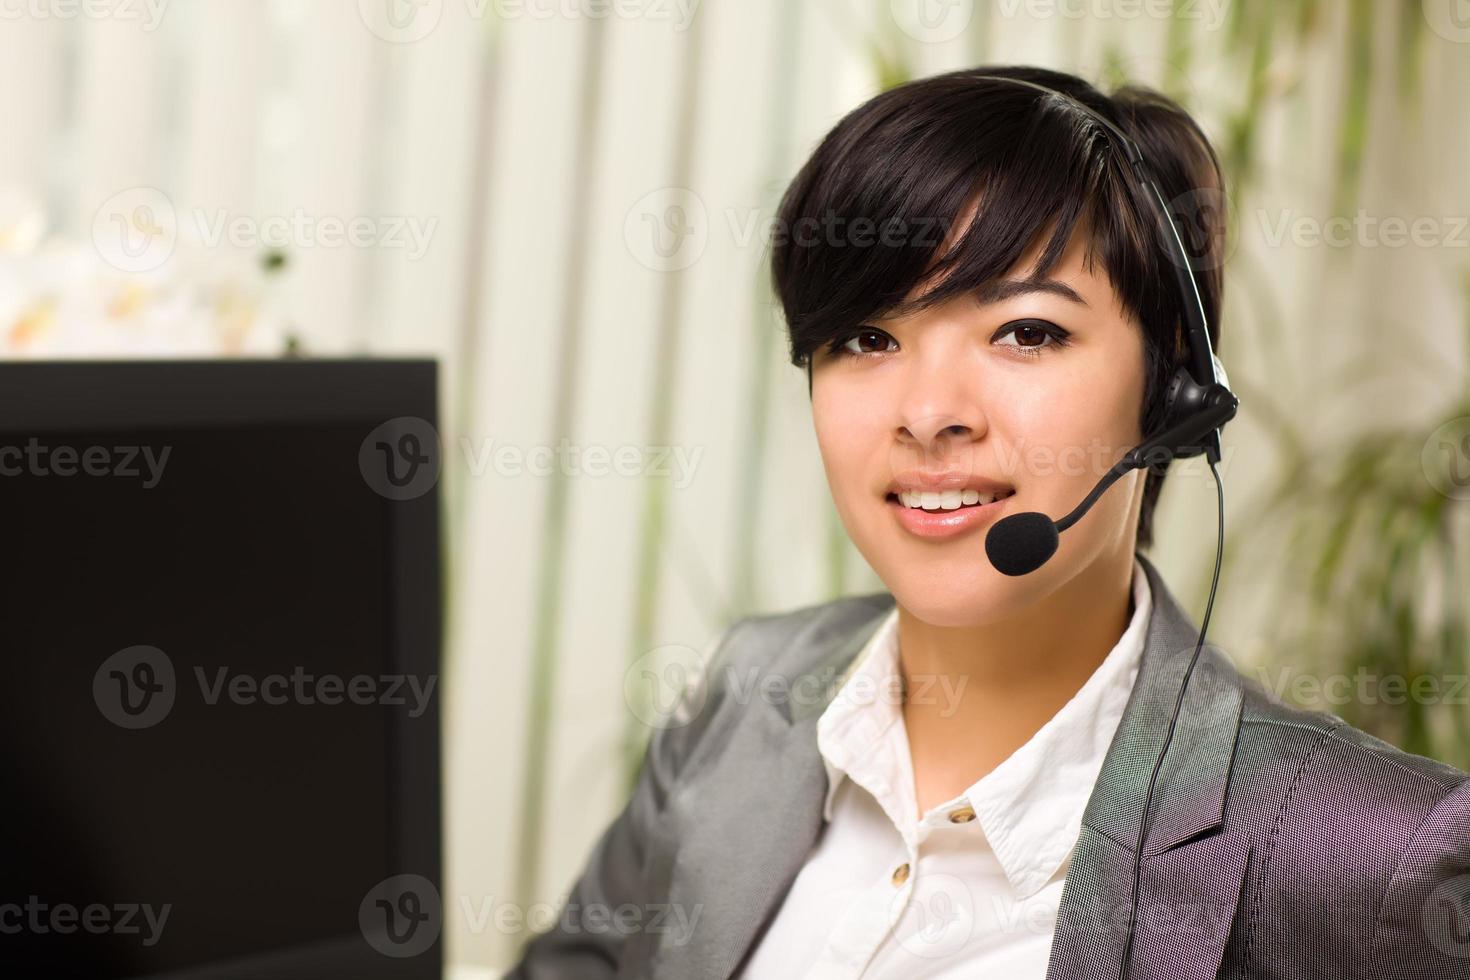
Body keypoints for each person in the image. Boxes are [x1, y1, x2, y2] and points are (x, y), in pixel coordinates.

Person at [506, 64, 1470, 979]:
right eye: (867, 338)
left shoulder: (1367, 852)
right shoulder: (744, 695)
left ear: (1173, 388)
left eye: (1025, 332)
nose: (929, 413)